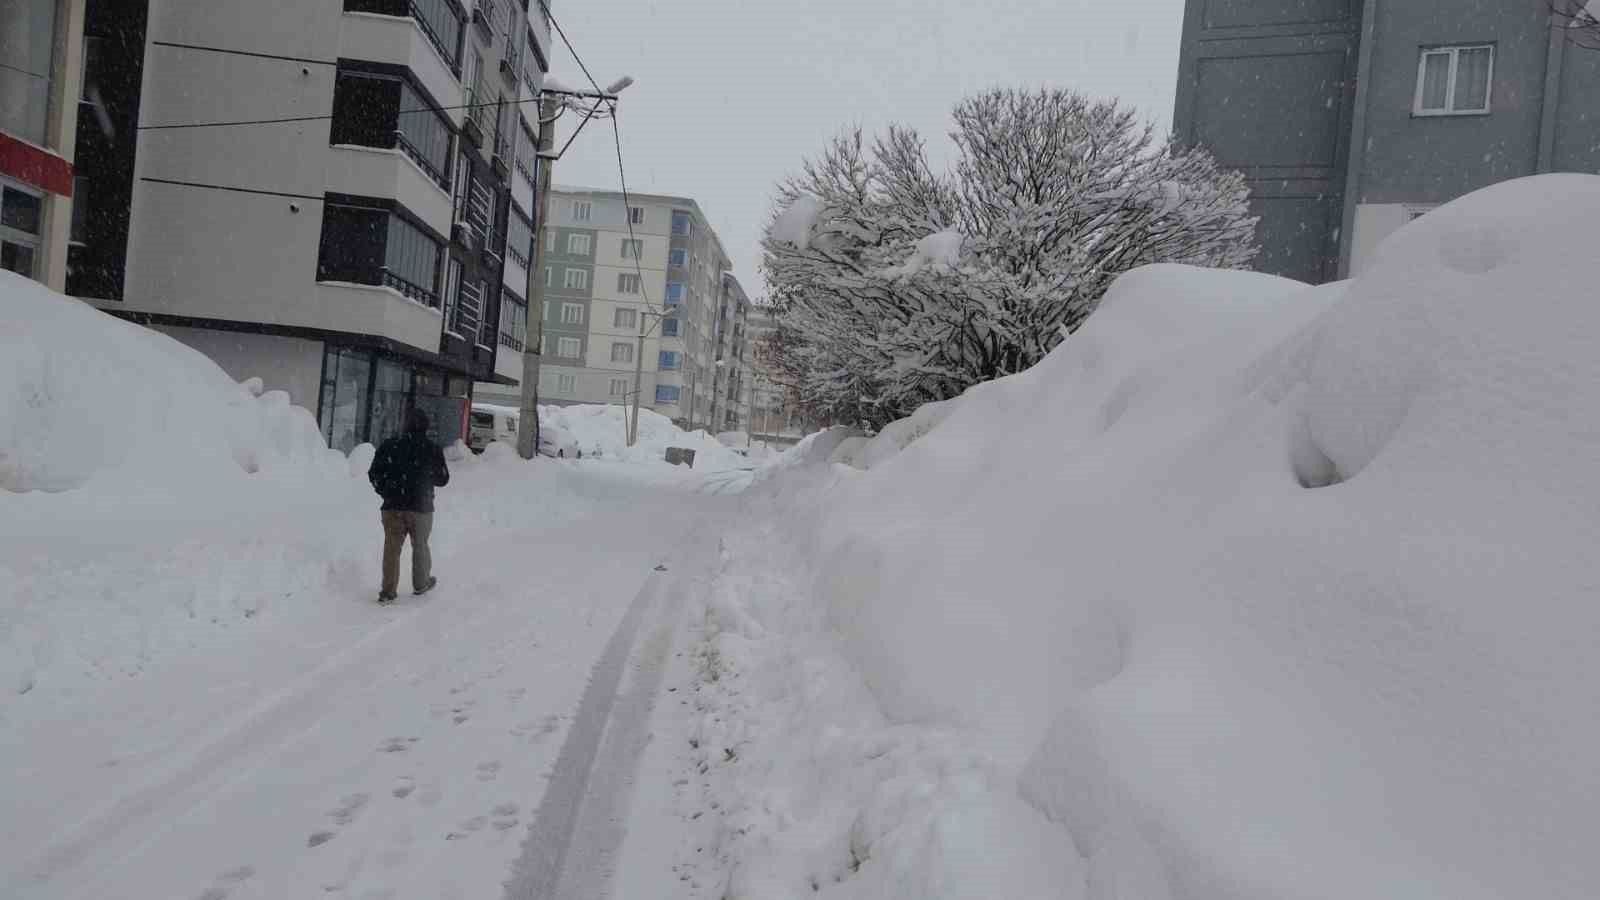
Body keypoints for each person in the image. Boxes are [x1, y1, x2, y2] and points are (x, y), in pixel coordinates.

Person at [368, 407, 450, 603]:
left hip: (392, 507)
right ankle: (421, 583)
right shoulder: (432, 449)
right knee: (420, 545)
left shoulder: (390, 446)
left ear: (403, 425)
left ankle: (388, 591)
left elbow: (374, 473)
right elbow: (443, 479)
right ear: (426, 426)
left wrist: (386, 491)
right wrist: (425, 477)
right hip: (421, 508)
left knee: (391, 548)